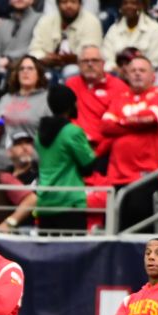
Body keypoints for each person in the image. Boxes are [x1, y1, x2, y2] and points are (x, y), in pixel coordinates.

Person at [102, 56, 158, 231]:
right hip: (117, 177)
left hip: (146, 177)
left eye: (142, 70)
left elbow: (153, 118)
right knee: (117, 231)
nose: (137, 74)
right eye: (133, 71)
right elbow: (105, 125)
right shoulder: (120, 97)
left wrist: (122, 121)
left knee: (140, 235)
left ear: (153, 76)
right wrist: (135, 124)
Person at [35, 85, 97, 233]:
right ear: (71, 105)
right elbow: (89, 165)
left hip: (45, 203)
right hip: (70, 203)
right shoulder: (72, 132)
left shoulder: (39, 133)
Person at [66, 45, 130, 155]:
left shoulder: (119, 88)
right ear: (79, 65)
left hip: (104, 150)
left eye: (95, 60)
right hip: (73, 147)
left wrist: (98, 151)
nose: (90, 64)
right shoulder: (71, 84)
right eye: (85, 61)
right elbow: (64, 117)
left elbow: (119, 126)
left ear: (103, 64)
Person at [29, 0, 103, 75]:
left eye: (73, 2)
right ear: (58, 5)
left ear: (80, 5)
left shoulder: (91, 22)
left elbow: (91, 54)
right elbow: (34, 49)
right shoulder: (46, 21)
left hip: (78, 68)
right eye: (64, 2)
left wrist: (67, 59)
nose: (69, 6)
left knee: (71, 70)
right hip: (47, 65)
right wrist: (43, 57)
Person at [103, 0, 158, 70]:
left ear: (141, 6)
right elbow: (107, 59)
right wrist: (118, 70)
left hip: (143, 75)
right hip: (118, 75)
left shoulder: (154, 28)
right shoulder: (113, 29)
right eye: (125, 3)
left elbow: (154, 62)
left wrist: (133, 71)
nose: (129, 6)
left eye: (134, 3)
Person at [0, 0, 42, 65]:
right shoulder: (1, 23)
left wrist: (9, 58)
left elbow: (37, 49)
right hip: (0, 69)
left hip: (28, 67)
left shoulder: (41, 19)